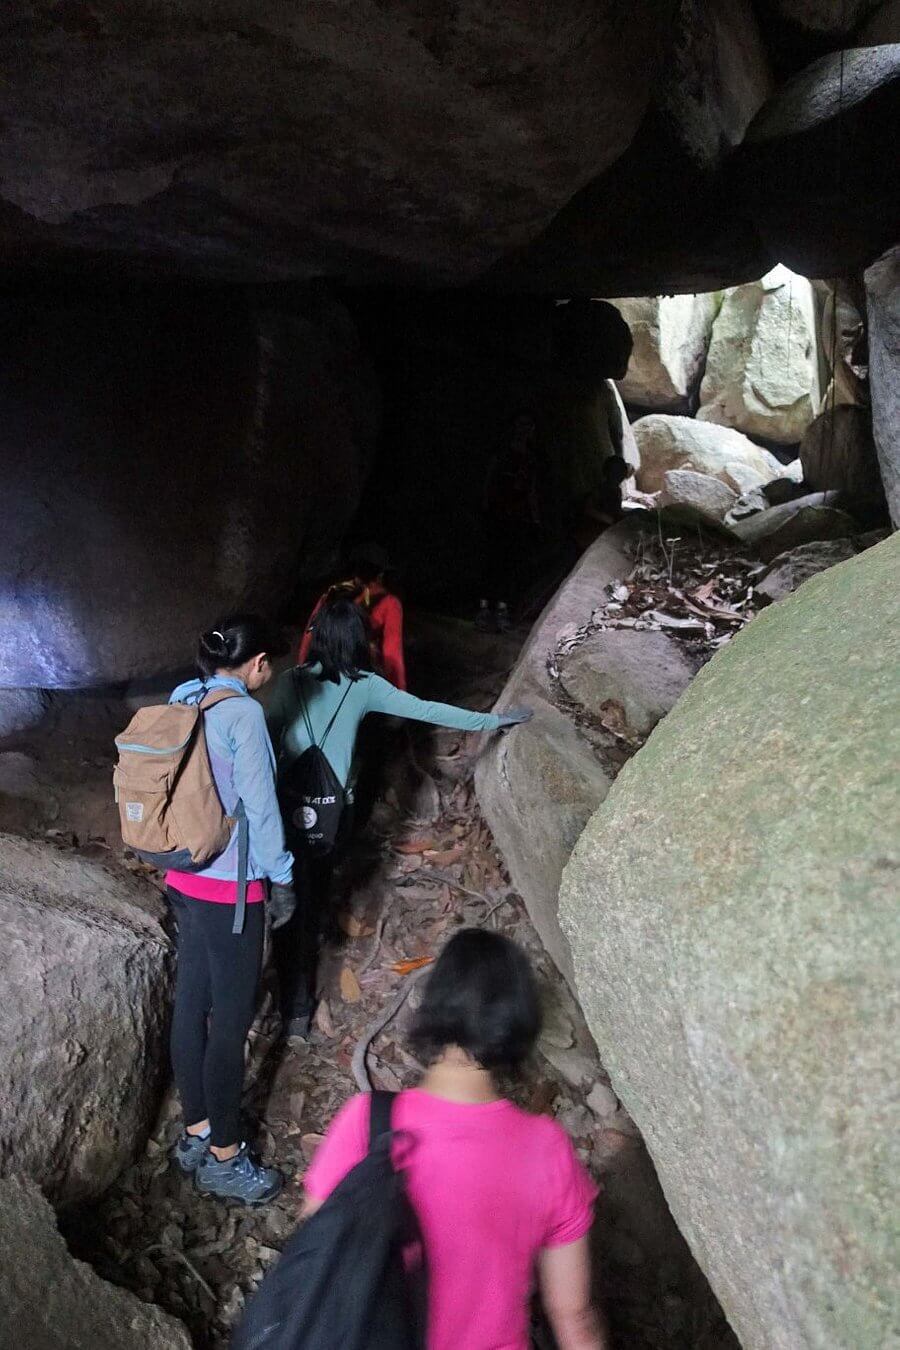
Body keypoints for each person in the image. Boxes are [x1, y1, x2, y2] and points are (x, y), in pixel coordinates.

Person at [302, 929, 607, 1350]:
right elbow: (573, 1313)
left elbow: (314, 1254)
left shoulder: (369, 1122)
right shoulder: (547, 1148)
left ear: (436, 1007)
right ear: (518, 1025)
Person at [267, 598, 531, 1037]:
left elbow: (263, 733)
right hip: (333, 816)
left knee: (288, 895)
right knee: (312, 896)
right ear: (355, 640)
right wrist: (494, 720)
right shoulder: (364, 685)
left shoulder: (289, 682)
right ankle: (298, 1008)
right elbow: (427, 709)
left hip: (285, 808)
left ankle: (286, 986)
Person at [166, 614, 297, 1206]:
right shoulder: (243, 713)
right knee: (230, 1023)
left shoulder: (184, 696)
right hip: (230, 892)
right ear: (257, 663)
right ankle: (224, 1155)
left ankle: (195, 1130)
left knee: (190, 1004)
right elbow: (262, 809)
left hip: (181, 877)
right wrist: (283, 877)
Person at [298, 543, 407, 689]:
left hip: (322, 674)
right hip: (357, 681)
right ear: (381, 574)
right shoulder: (389, 603)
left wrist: (301, 669)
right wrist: (398, 694)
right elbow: (392, 654)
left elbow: (310, 634)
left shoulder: (333, 593)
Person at [477, 412, 543, 632]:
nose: (524, 430)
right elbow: (489, 478)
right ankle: (485, 609)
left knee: (510, 565)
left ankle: (502, 611)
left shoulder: (531, 459)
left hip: (517, 518)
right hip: (497, 514)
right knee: (491, 562)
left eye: (528, 425)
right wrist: (485, 504)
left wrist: (535, 518)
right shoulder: (502, 452)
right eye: (521, 424)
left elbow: (531, 489)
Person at [573, 454, 631, 552]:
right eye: (615, 473)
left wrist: (627, 515)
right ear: (608, 473)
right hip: (592, 532)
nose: (619, 476)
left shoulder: (617, 491)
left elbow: (617, 511)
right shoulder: (601, 490)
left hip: (606, 529)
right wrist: (610, 520)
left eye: (621, 473)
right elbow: (588, 509)